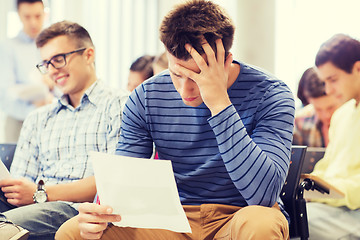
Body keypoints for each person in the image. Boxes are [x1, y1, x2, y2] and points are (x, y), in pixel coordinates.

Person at [56, 1, 295, 239]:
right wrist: (99, 212)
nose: (185, 90)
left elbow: (263, 195)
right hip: (173, 220)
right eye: (176, 74)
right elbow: (122, 184)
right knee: (73, 232)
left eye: (198, 77)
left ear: (226, 60)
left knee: (261, 224)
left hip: (242, 215)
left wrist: (220, 103)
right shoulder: (146, 96)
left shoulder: (271, 94)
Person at [0, 20, 128, 240]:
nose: (51, 71)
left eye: (58, 60)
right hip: (31, 208)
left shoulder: (120, 105)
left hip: (76, 209)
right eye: (46, 64)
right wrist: (20, 191)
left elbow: (113, 179)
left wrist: (41, 193)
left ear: (88, 55)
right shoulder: (38, 118)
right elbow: (20, 183)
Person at [304, 33, 360, 239]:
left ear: (358, 68)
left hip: (353, 211)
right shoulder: (342, 114)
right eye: (324, 81)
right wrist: (307, 185)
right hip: (333, 207)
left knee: (296, 223)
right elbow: (328, 166)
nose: (328, 89)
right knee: (277, 215)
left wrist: (324, 192)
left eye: (333, 80)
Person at [0, 0, 55, 143]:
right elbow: (5, 95)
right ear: (19, 15)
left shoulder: (53, 46)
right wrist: (34, 110)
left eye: (38, 16)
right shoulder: (8, 47)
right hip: (19, 122)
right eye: (27, 17)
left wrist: (52, 85)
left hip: (51, 119)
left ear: (45, 14)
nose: (33, 23)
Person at [293, 67, 344, 147]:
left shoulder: (354, 121)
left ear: (341, 97)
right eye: (318, 109)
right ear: (309, 102)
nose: (326, 115)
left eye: (331, 107)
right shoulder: (299, 122)